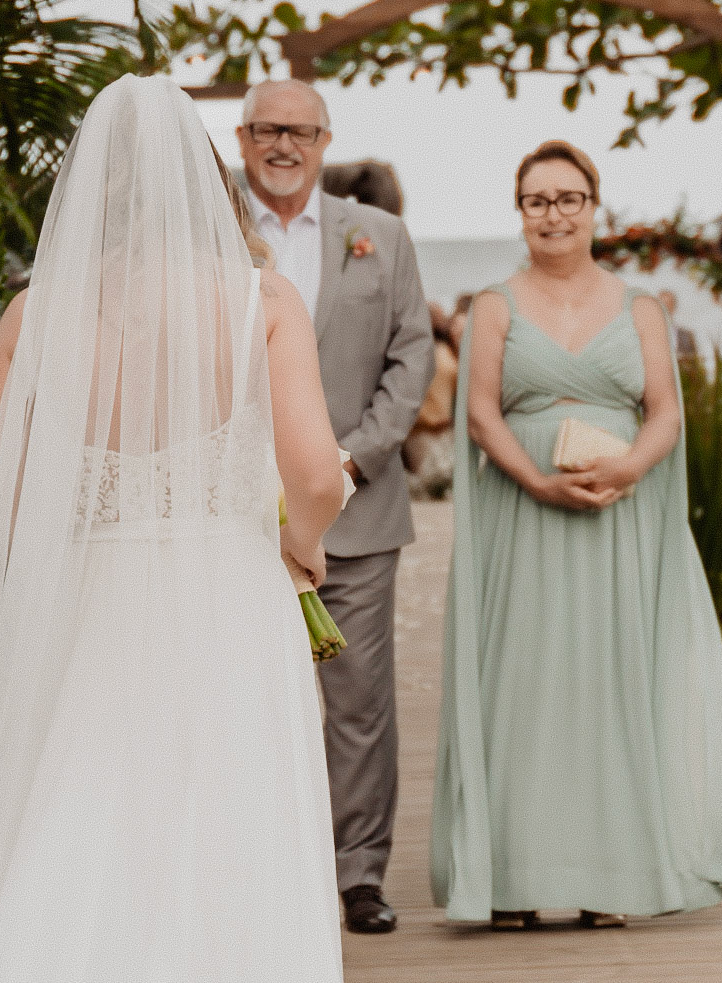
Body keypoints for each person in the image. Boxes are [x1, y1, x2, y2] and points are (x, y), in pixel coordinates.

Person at [0, 76, 347, 983]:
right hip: (227, 602)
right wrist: (306, 543)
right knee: (227, 829)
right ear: (208, 182)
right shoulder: (265, 303)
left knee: (76, 813)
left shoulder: (31, 315)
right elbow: (317, 476)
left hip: (88, 605)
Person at [431, 140, 722, 928]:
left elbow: (665, 411)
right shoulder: (493, 307)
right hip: (522, 513)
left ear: (593, 207)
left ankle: (613, 873)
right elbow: (478, 414)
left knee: (612, 677)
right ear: (520, 213)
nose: (553, 214)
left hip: (617, 516)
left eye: (567, 198)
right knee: (523, 679)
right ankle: (511, 877)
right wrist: (535, 480)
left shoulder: (641, 308)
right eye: (537, 200)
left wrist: (631, 467)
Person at [238, 79, 435, 934]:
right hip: (236, 516)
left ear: (325, 139)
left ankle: (358, 876)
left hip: (356, 508)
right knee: (241, 693)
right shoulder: (211, 234)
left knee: (358, 702)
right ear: (243, 138)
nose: (284, 144)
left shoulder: (379, 237)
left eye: (301, 130)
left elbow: (412, 353)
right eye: (268, 129)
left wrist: (347, 458)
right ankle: (255, 864)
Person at [403, 301, 461, 497]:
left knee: (441, 486)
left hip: (443, 430)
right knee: (432, 486)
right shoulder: (416, 354)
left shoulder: (445, 351)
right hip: (422, 431)